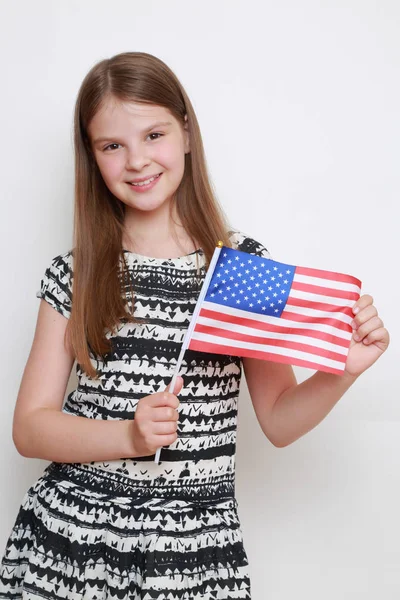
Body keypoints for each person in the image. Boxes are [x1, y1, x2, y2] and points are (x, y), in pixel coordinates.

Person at [0, 51, 389, 600]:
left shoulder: (240, 270)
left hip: (194, 552)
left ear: (185, 132)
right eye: (112, 146)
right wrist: (128, 436)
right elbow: (29, 428)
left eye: (153, 134)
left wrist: (340, 373)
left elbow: (277, 421)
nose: (137, 161)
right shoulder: (77, 273)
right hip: (72, 546)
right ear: (92, 157)